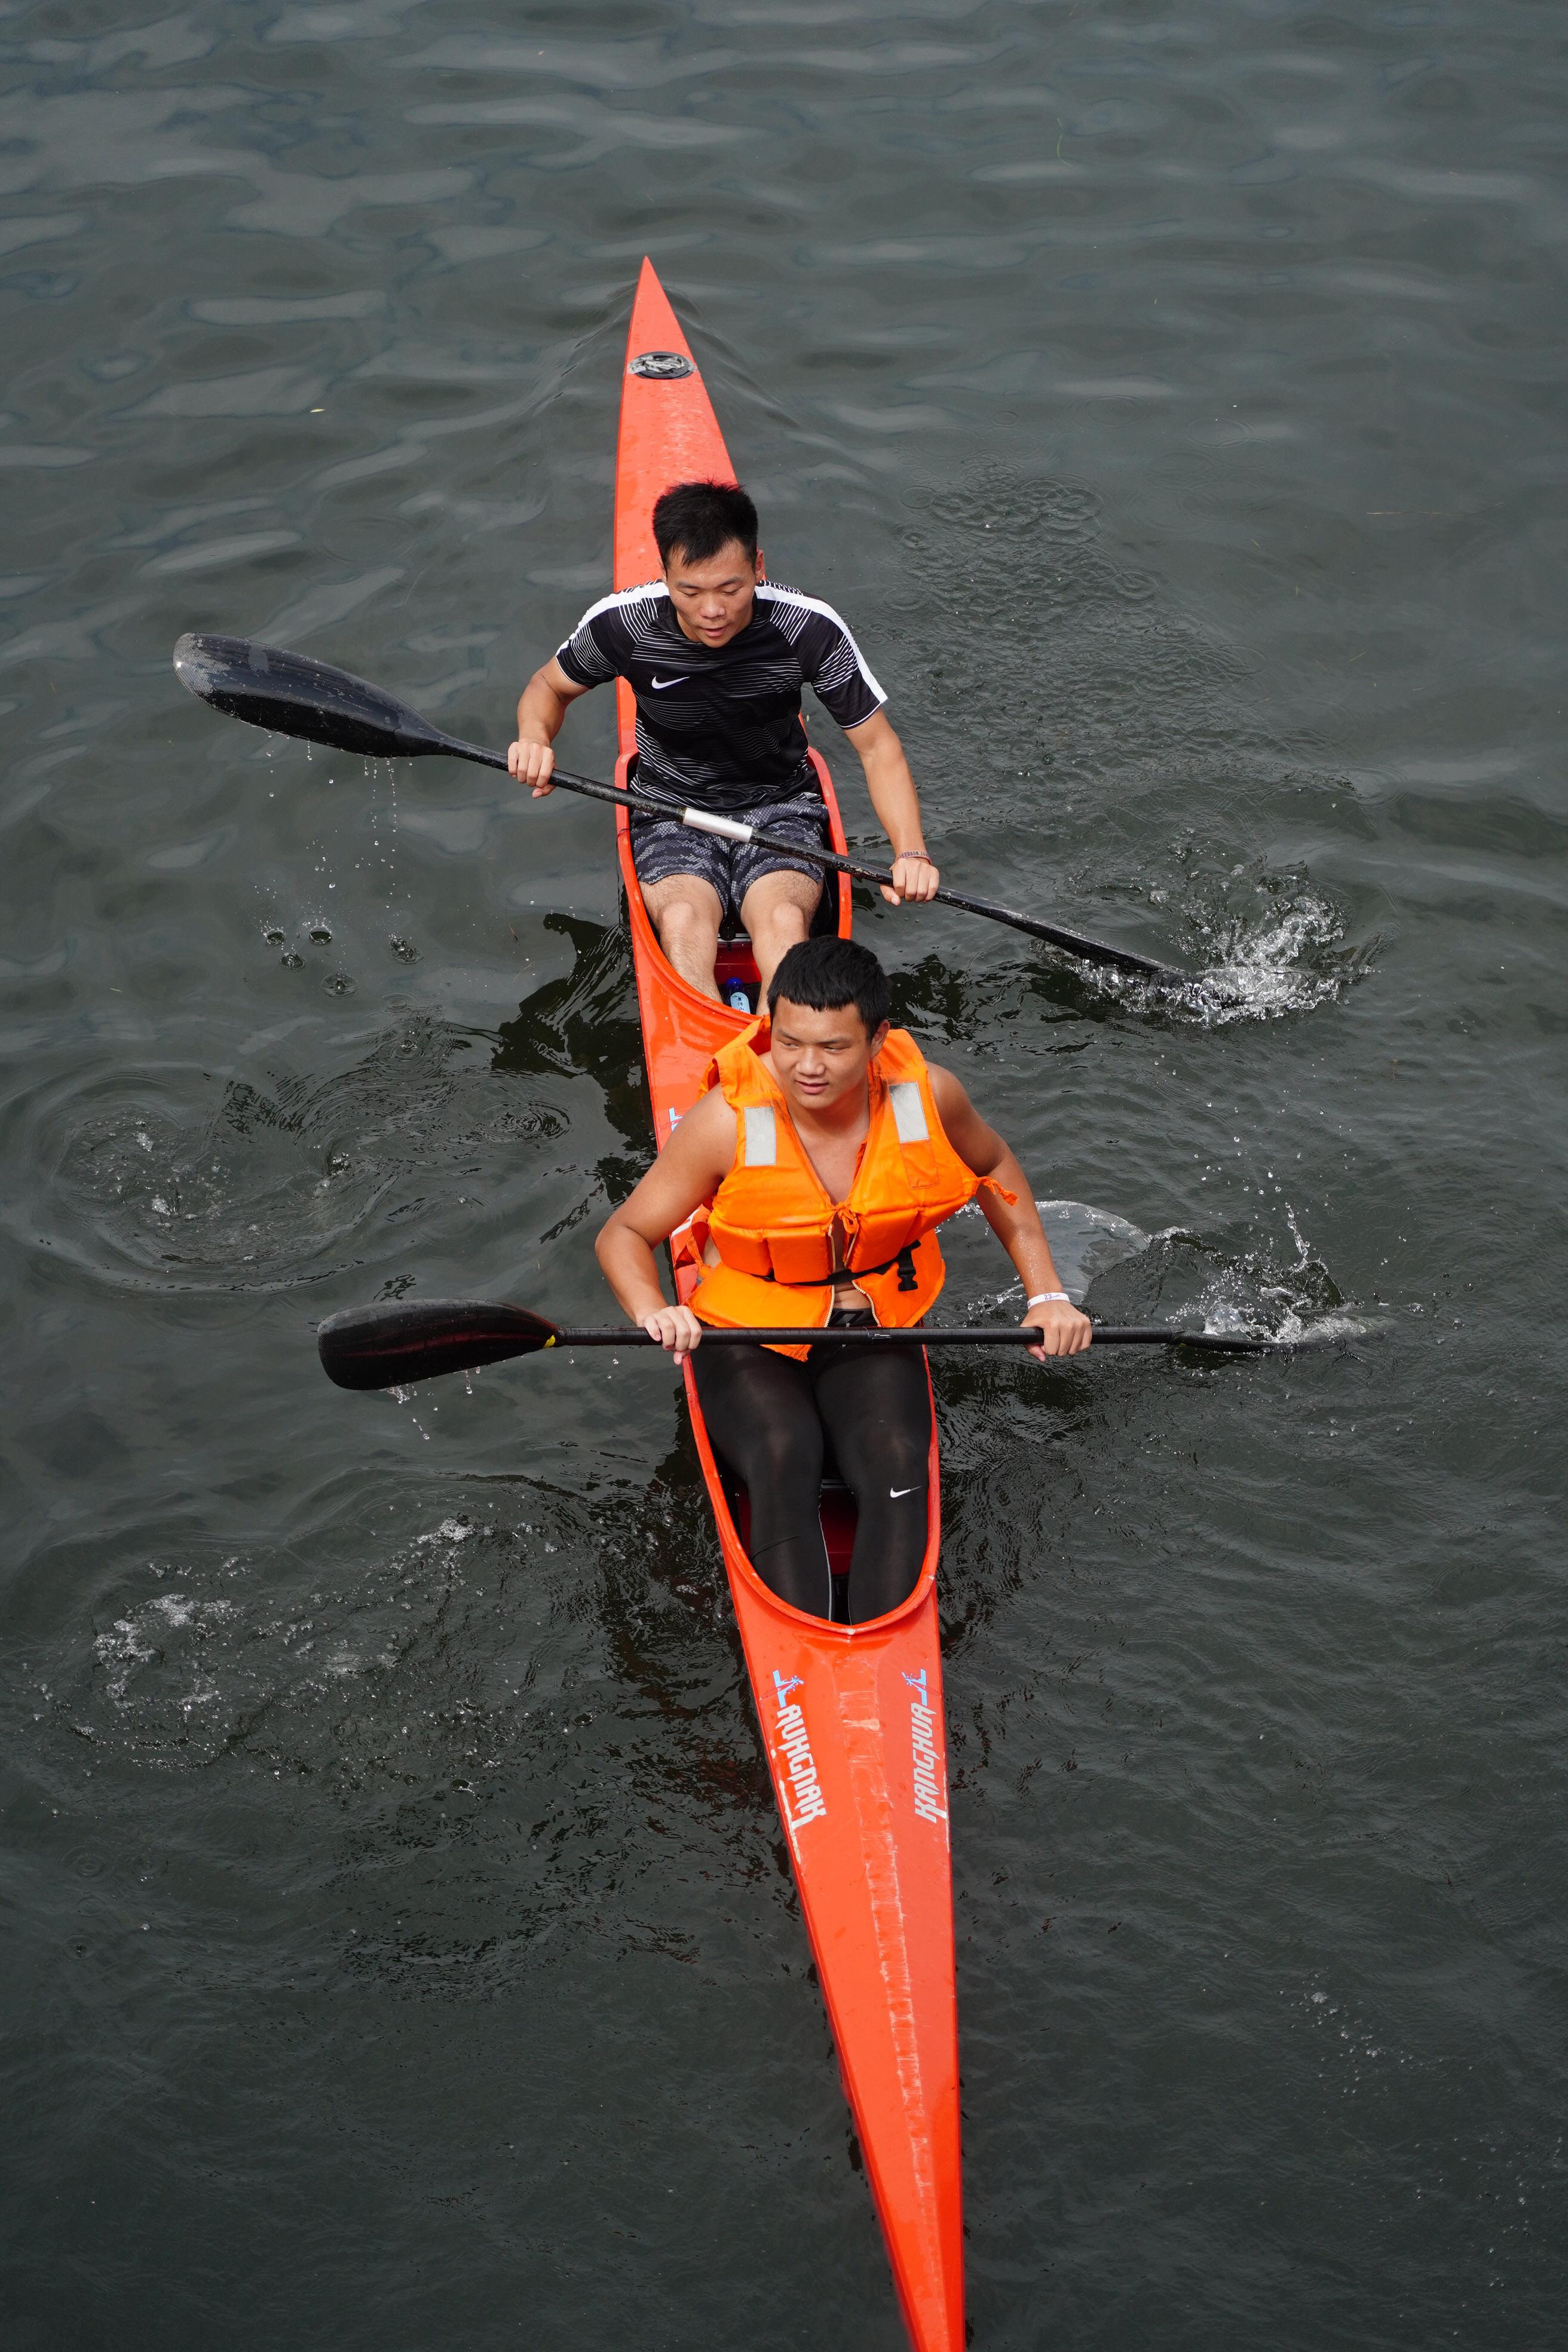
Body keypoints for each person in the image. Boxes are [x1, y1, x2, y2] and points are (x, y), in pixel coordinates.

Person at [595, 935, 1092, 1625]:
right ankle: (806, 1651)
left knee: (895, 1461)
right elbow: (622, 1234)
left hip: (873, 1316)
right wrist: (655, 1309)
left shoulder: (930, 1096)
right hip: (748, 1329)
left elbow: (996, 1170)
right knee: (782, 1450)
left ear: (877, 1037)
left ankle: (884, 1651)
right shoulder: (724, 1123)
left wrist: (1047, 1294)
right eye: (790, 1042)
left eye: (832, 1048)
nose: (806, 1067)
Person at [508, 479, 941, 1004]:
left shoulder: (808, 628)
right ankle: (708, 1053)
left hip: (780, 806)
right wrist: (535, 737)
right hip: (668, 805)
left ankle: (778, 1050)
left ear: (759, 566)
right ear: (664, 575)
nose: (712, 610)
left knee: (782, 922)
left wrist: (911, 852)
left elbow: (878, 748)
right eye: (689, 591)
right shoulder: (624, 624)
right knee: (687, 921)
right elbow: (548, 687)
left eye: (731, 589)